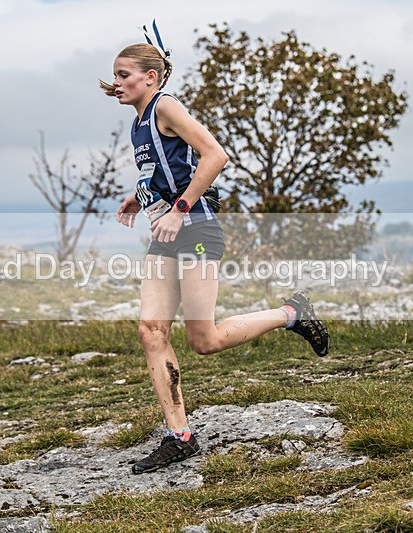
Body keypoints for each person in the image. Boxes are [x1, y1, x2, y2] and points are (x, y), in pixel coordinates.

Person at [99, 22, 329, 475]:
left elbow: (215, 156)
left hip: (197, 231)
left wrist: (179, 209)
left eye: (125, 74)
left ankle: (292, 314)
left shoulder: (166, 105)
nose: (118, 83)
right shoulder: (140, 121)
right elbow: (169, 167)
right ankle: (179, 436)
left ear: (151, 76)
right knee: (151, 331)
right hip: (165, 237)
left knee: (204, 341)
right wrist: (141, 194)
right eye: (115, 75)